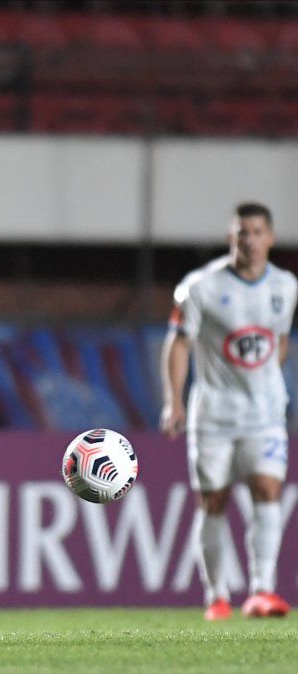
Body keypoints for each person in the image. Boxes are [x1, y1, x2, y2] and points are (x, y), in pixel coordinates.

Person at [160, 202, 296, 621]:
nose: (249, 240)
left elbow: (279, 340)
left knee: (268, 490)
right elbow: (179, 344)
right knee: (213, 501)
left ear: (270, 238)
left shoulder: (286, 285)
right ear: (229, 238)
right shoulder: (199, 287)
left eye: (257, 232)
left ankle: (262, 590)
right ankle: (216, 595)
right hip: (214, 415)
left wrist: (267, 385)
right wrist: (174, 401)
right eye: (242, 233)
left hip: (265, 414)